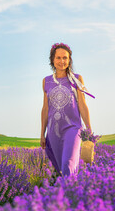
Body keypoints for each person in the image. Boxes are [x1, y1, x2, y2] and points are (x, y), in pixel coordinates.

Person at [40, 42, 94, 177]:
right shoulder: (46, 81)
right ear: (52, 60)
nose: (62, 61)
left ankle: (71, 193)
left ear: (69, 60)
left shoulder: (76, 79)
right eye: (58, 58)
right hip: (53, 131)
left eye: (65, 58)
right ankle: (68, 195)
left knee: (68, 165)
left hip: (73, 128)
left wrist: (89, 129)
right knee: (60, 170)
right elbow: (45, 108)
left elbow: (82, 104)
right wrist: (42, 133)